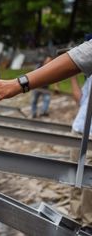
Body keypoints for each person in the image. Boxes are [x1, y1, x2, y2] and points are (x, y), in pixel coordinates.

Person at [0, 39, 92, 105]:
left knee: (44, 100)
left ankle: (41, 112)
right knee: (36, 100)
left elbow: (83, 56)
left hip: (41, 85)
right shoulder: (40, 64)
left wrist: (18, 84)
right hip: (39, 84)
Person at [69, 75, 92, 226]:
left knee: (89, 182)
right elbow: (81, 100)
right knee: (74, 176)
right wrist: (73, 76)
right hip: (79, 130)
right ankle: (75, 218)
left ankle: (88, 223)